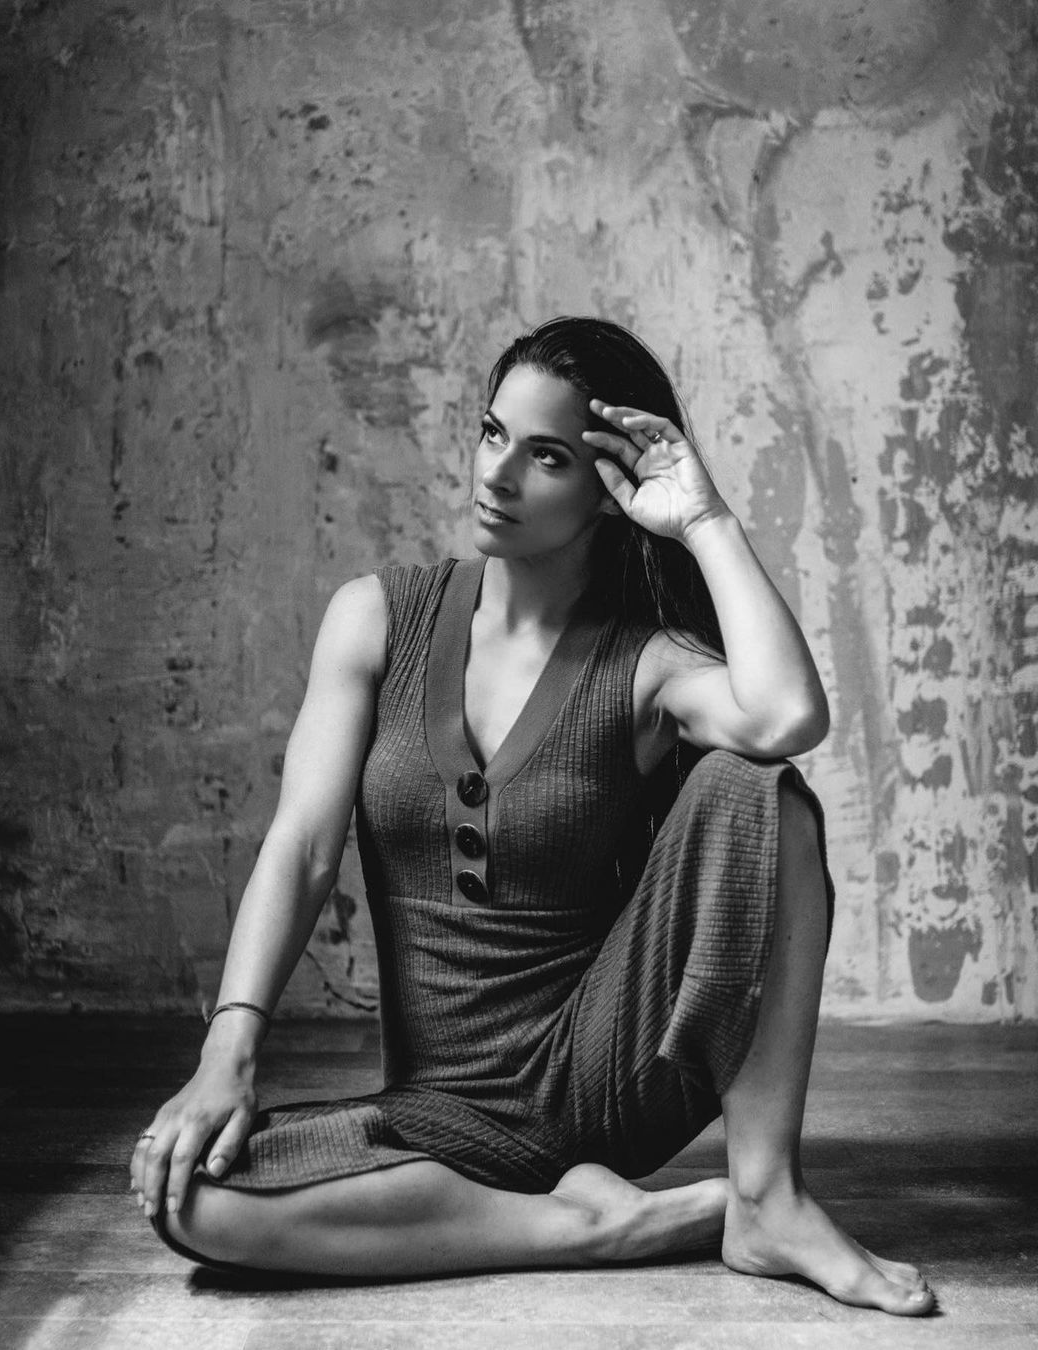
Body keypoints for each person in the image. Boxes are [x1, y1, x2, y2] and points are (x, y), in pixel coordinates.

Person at [130, 316, 934, 1315]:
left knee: (759, 788)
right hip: (437, 1107)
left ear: (608, 488)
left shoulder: (644, 662)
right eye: (492, 434)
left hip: (603, 1076)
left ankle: (767, 1198)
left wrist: (702, 518)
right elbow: (300, 847)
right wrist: (228, 1048)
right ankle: (595, 1224)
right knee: (191, 1198)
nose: (498, 474)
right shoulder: (377, 618)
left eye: (547, 457)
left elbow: (786, 718)